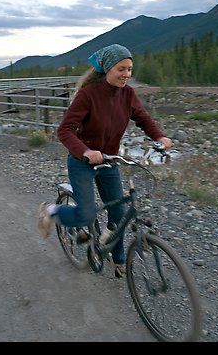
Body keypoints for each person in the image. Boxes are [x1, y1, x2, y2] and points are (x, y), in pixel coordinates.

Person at [37, 43, 173, 278]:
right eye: (122, 69)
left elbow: (143, 118)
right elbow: (65, 130)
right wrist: (85, 151)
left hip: (109, 161)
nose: (127, 75)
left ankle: (119, 261)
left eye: (130, 69)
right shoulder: (88, 95)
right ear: (108, 68)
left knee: (118, 215)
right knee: (86, 214)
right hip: (82, 162)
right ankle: (51, 210)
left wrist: (159, 136)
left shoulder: (128, 94)